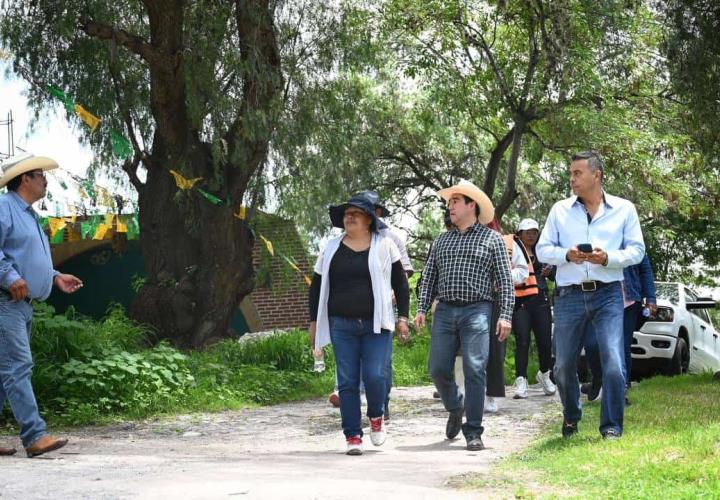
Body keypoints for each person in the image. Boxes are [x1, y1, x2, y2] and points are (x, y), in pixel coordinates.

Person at [536, 150, 645, 439]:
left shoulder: (624, 209)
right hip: (569, 296)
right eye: (571, 173)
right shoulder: (559, 210)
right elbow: (542, 250)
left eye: (577, 173)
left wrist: (607, 258)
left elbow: (637, 250)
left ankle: (611, 427)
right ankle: (571, 416)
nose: (571, 179)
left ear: (596, 175)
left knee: (613, 363)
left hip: (608, 294)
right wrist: (567, 255)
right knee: (562, 366)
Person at [415, 181, 514, 451]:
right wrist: (422, 308)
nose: (450, 206)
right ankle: (456, 408)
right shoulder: (441, 240)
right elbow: (429, 279)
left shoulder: (492, 239)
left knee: (475, 367)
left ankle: (473, 431)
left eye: (456, 201)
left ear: (472, 205)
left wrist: (505, 316)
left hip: (478, 310)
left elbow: (505, 282)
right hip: (445, 310)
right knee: (437, 369)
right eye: (449, 202)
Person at [308, 194, 410, 455]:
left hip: (377, 324)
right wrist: (312, 322)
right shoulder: (330, 248)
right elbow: (317, 286)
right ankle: (352, 434)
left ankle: (376, 415)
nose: (349, 216)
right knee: (347, 381)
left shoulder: (385, 245)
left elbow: (400, 282)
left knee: (376, 375)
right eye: (346, 213)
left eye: (356, 212)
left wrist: (403, 318)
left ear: (369, 219)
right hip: (341, 324)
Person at [0, 154, 84, 457]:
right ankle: (35, 436)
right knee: (18, 366)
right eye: (40, 176)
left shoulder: (30, 215)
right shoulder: (4, 207)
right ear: (25, 179)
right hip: (6, 300)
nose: (45, 181)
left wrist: (54, 275)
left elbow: (25, 256)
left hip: (23, 304)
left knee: (5, 371)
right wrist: (9, 276)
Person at [327, 190, 413, 419]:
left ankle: (381, 405)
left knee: (379, 369)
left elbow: (403, 276)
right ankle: (347, 398)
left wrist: (398, 309)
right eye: (351, 212)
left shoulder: (391, 239)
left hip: (383, 309)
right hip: (346, 317)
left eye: (369, 210)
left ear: (377, 213)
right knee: (349, 367)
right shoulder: (337, 245)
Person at [583, 254, 656, 404]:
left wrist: (650, 298)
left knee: (621, 347)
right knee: (592, 344)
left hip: (627, 300)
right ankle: (598, 378)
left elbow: (645, 269)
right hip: (596, 299)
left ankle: (620, 391)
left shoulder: (631, 238)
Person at [508, 218, 556, 399]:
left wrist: (549, 272)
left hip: (541, 299)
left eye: (534, 232)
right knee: (522, 340)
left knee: (545, 341)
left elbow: (555, 275)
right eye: (527, 232)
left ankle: (544, 373)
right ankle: (521, 379)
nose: (531, 235)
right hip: (520, 300)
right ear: (519, 234)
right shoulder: (512, 250)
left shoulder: (543, 251)